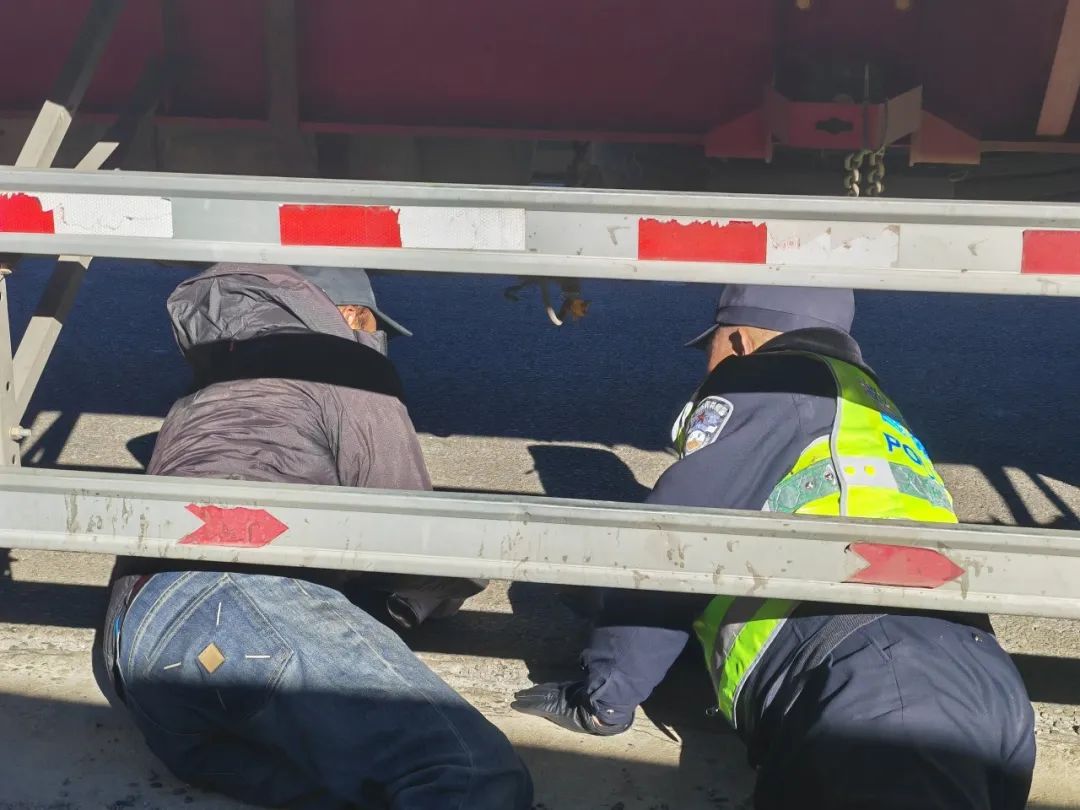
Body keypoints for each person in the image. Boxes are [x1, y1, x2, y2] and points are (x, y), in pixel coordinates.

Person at [513, 284, 1035, 809]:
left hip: (878, 692)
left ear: (739, 342)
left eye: (711, 347)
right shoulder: (869, 408)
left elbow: (674, 547)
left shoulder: (769, 378)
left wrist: (605, 698)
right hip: (988, 691)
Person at [96, 263, 532, 810]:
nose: (374, 339)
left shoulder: (207, 388)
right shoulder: (345, 364)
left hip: (132, 657)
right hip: (233, 611)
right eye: (372, 325)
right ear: (346, 313)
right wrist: (442, 593)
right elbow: (411, 527)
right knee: (471, 777)